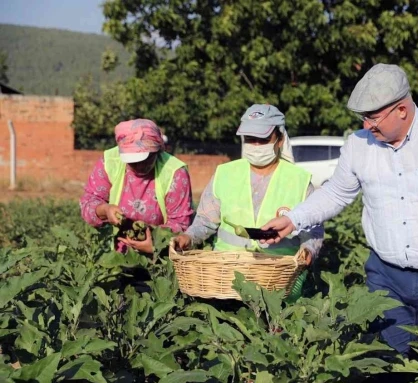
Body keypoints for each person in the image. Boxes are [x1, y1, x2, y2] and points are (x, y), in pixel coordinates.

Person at [260, 64, 418, 356]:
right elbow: (335, 192)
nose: (367, 126)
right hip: (385, 277)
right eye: (363, 117)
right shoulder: (358, 146)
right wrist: (292, 219)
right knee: (390, 362)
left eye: (373, 117)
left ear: (401, 110)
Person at [172, 104, 323, 300]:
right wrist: (188, 237)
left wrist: (308, 250)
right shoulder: (224, 174)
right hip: (225, 277)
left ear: (280, 139)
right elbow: (204, 221)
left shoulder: (299, 181)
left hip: (278, 278)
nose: (256, 145)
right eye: (251, 139)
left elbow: (313, 230)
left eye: (263, 139)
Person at [80, 119, 194, 253]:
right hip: (112, 256)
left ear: (157, 151)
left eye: (145, 159)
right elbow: (88, 203)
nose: (139, 166)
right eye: (133, 161)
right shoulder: (110, 162)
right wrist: (105, 210)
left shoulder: (175, 172)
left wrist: (155, 244)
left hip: (161, 256)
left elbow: (181, 224)